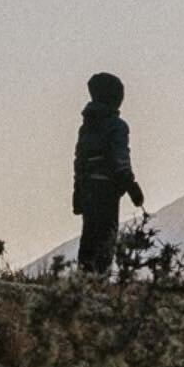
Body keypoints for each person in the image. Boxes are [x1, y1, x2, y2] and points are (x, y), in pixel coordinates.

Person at [72, 71, 144, 275]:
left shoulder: (86, 128)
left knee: (89, 236)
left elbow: (79, 162)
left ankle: (83, 281)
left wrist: (77, 193)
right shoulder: (117, 126)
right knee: (106, 238)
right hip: (107, 191)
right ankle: (99, 282)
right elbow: (120, 158)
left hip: (87, 189)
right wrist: (132, 187)